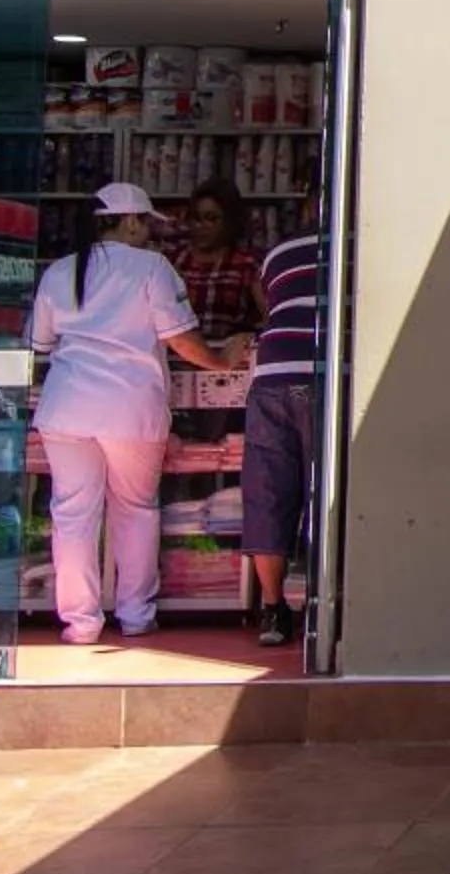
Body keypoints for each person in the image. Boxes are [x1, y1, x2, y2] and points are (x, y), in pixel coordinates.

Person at [28, 183, 244, 645]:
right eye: (146, 222)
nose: (150, 232)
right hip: (130, 410)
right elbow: (182, 339)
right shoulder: (152, 268)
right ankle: (135, 615)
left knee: (72, 515)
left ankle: (81, 623)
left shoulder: (60, 271)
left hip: (66, 409)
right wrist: (224, 361)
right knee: (136, 511)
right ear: (129, 221)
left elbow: (39, 345)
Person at [242, 190, 325, 648]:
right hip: (324, 376)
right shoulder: (360, 244)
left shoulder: (278, 253)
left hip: (271, 373)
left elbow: (268, 305)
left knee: (269, 491)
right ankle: (323, 602)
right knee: (328, 493)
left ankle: (273, 611)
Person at [169, 178, 265, 347]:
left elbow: (268, 317)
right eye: (196, 218)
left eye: (211, 218)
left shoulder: (246, 263)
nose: (201, 226)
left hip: (230, 360)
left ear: (229, 222)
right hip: (179, 357)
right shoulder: (175, 260)